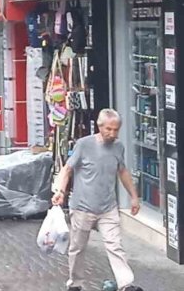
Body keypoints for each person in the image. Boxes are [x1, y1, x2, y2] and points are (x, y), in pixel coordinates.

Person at [52, 109, 140, 291]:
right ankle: (75, 284)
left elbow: (122, 171)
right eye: (109, 129)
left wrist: (134, 196)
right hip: (83, 208)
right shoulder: (84, 145)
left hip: (108, 207)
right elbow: (67, 169)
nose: (112, 133)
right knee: (77, 248)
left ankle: (126, 284)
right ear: (100, 126)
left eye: (116, 130)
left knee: (115, 246)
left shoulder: (118, 147)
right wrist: (60, 190)